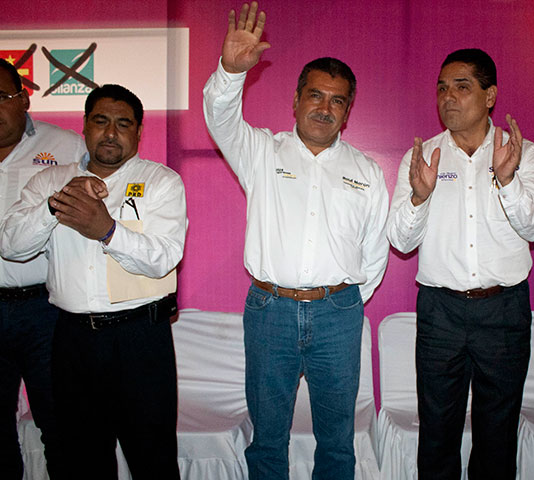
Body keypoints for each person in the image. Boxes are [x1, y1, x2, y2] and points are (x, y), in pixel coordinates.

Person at [202, 3, 389, 479]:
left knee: (338, 441)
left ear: (347, 111)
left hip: (338, 315)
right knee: (268, 439)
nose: (325, 108)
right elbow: (220, 118)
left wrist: (342, 300)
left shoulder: (367, 172)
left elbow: (375, 251)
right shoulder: (261, 151)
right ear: (296, 100)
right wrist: (230, 72)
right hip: (270, 312)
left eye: (337, 101)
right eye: (315, 95)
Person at [0, 83, 187, 480]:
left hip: (140, 338)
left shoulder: (161, 181)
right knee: (83, 460)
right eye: (101, 121)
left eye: (123, 124)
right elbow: (11, 246)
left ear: (139, 131)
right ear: (84, 127)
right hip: (72, 339)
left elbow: (164, 258)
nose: (110, 133)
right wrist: (56, 205)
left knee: (153, 459)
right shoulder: (51, 181)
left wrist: (107, 230)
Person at [386, 48, 534, 479]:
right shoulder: (422, 157)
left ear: (490, 95)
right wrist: (419, 197)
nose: (448, 97)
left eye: (462, 87)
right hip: (440, 311)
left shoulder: (523, 153)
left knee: (498, 432)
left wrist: (508, 180)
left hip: (504, 310)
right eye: (442, 88)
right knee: (437, 430)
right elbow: (400, 241)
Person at [0, 58, 85, 479]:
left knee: (61, 425)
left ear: (24, 99)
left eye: (1, 96)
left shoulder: (66, 147)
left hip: (44, 310)